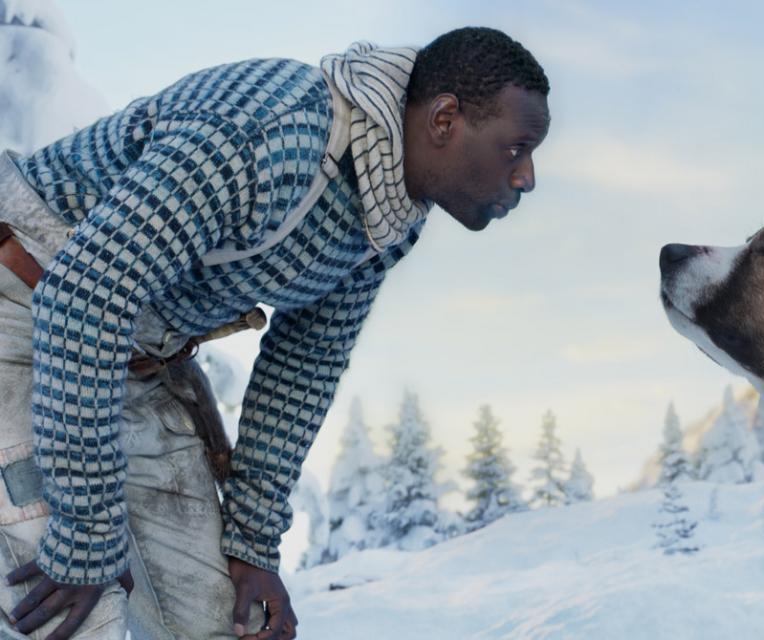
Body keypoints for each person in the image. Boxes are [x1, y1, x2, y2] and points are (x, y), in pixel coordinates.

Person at [0, 25, 550, 640]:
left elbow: (301, 369)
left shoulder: (386, 219)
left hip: (137, 361)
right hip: (26, 309)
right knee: (73, 614)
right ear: (445, 119)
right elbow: (85, 293)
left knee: (219, 623)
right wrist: (84, 535)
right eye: (516, 147)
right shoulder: (266, 133)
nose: (527, 176)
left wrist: (252, 545)